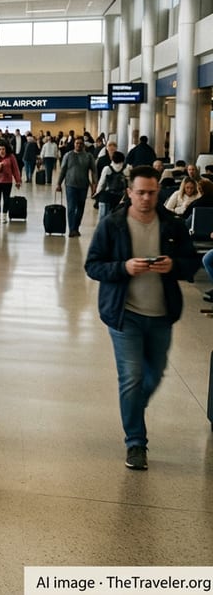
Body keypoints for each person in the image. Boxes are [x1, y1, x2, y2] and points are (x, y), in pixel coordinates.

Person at [84, 165, 199, 470]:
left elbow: (191, 263)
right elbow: (93, 265)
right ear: (129, 193)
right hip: (125, 315)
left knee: (155, 374)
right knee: (132, 379)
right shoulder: (113, 224)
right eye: (140, 193)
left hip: (162, 314)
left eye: (151, 192)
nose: (146, 198)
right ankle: (136, 443)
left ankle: (132, 405)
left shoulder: (172, 224)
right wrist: (124, 268)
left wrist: (173, 265)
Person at [56, 139, 98, 238]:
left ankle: (76, 228)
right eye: (77, 143)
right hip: (70, 185)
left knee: (80, 207)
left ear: (83, 145)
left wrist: (94, 184)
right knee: (71, 207)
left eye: (80, 143)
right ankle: (71, 229)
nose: (78, 145)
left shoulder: (88, 156)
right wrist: (58, 183)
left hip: (83, 185)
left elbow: (94, 171)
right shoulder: (68, 155)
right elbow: (63, 170)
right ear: (74, 144)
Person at [0, 141, 21, 225]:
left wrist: (18, 180)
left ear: (6, 149)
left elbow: (15, 169)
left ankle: (5, 216)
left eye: (3, 149)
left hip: (7, 182)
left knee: (6, 199)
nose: (1, 151)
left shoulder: (11, 157)